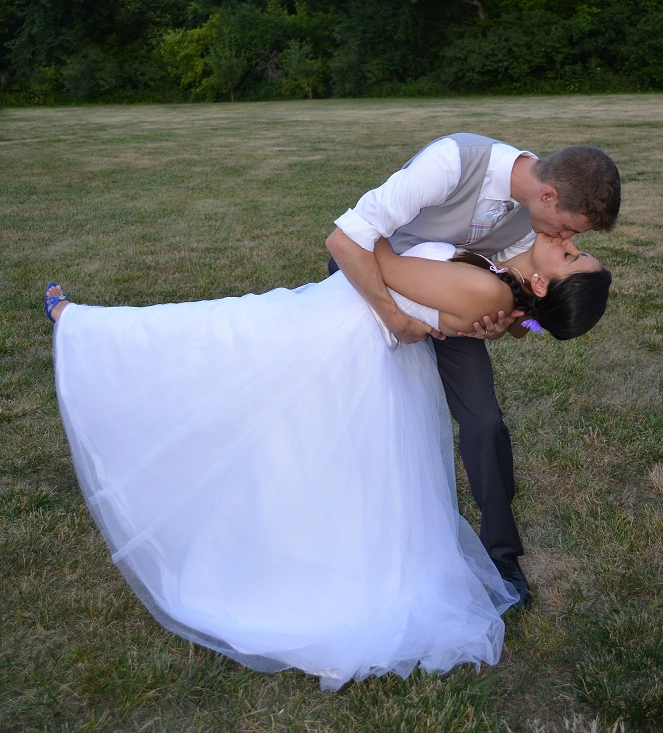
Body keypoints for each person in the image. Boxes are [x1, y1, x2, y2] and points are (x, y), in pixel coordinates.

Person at [45, 230, 611, 691]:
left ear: (540, 283)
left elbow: (381, 257)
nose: (573, 242)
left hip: (337, 330)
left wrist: (390, 223)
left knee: (217, 343)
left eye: (574, 256)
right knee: (269, 402)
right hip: (358, 336)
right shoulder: (501, 282)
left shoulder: (490, 293)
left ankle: (85, 329)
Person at [326, 133, 621, 609]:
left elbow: (533, 299)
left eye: (574, 241)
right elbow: (348, 239)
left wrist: (506, 323)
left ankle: (502, 554)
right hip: (371, 282)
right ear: (550, 196)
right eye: (571, 230)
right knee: (367, 412)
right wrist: (394, 318)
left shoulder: (538, 227)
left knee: (485, 422)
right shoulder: (453, 163)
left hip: (449, 307)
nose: (567, 238)